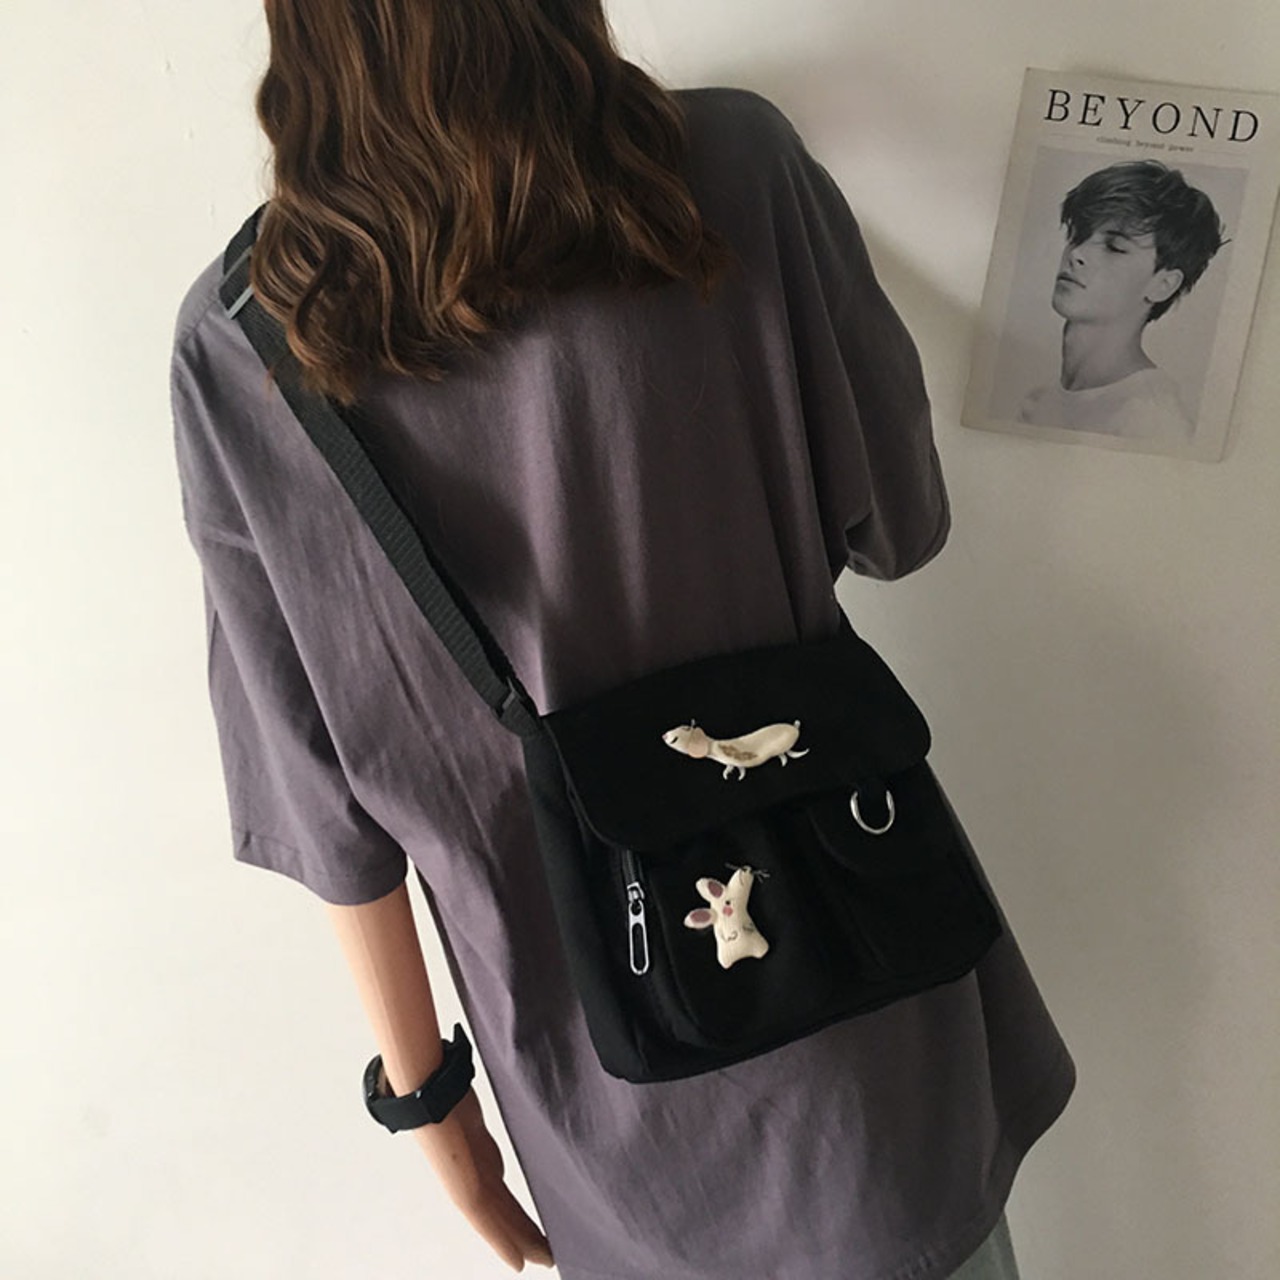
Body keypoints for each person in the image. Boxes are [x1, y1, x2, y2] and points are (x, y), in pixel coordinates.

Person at [170, 3, 1076, 1277]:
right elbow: (897, 522)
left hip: (607, 1107)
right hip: (856, 1009)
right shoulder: (734, 173)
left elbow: (328, 820)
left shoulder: (242, 345)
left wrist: (432, 1108)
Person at [1017, 159, 1227, 442]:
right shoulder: (1039, 401)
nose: (1076, 253)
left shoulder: (1151, 420)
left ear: (1163, 285)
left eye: (1114, 247)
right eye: (1078, 235)